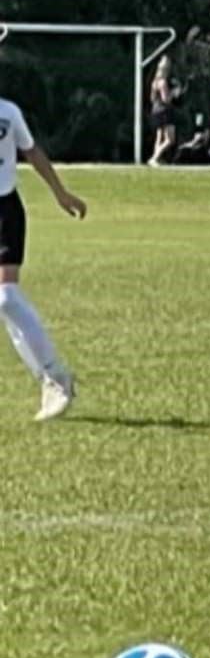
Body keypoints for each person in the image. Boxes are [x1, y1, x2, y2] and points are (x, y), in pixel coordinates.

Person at [0, 95, 87, 420]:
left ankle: (56, 376)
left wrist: (61, 194)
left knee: (6, 298)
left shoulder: (8, 112)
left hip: (5, 211)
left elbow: (32, 152)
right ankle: (48, 380)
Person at [148, 56, 181, 167]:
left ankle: (156, 159)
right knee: (170, 139)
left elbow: (152, 98)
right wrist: (175, 93)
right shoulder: (162, 82)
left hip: (155, 111)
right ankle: (154, 158)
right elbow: (166, 99)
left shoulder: (154, 81)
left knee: (159, 136)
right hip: (164, 111)